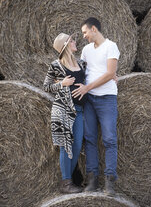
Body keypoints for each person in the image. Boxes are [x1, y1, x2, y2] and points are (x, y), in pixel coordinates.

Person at [72, 17, 120, 196]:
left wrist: (88, 87)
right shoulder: (85, 50)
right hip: (89, 100)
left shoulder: (111, 46)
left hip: (106, 98)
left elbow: (109, 73)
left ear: (94, 29)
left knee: (109, 139)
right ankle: (92, 180)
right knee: (90, 139)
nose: (84, 36)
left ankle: (110, 182)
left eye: (85, 32)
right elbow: (83, 71)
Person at [43, 33, 87, 194]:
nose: (75, 42)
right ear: (65, 46)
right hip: (63, 110)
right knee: (65, 146)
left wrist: (113, 76)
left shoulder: (82, 63)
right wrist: (62, 83)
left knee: (76, 145)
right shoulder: (56, 65)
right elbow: (46, 86)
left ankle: (68, 179)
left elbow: (93, 76)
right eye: (72, 40)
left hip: (80, 111)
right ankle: (66, 182)